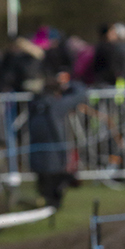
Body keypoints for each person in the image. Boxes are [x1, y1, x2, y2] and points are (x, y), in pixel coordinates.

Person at [28, 70, 87, 209]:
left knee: (45, 190)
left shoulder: (34, 103)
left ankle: (46, 204)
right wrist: (69, 84)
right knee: (54, 194)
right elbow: (81, 93)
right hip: (54, 159)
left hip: (37, 158)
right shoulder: (56, 105)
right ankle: (52, 206)